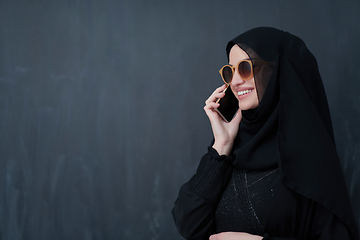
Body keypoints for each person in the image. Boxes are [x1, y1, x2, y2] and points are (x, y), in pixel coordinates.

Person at [171, 27, 359, 240]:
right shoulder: (229, 152)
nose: (234, 81)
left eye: (245, 68)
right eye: (229, 71)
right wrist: (221, 146)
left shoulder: (312, 161)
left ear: (278, 71)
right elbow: (188, 225)